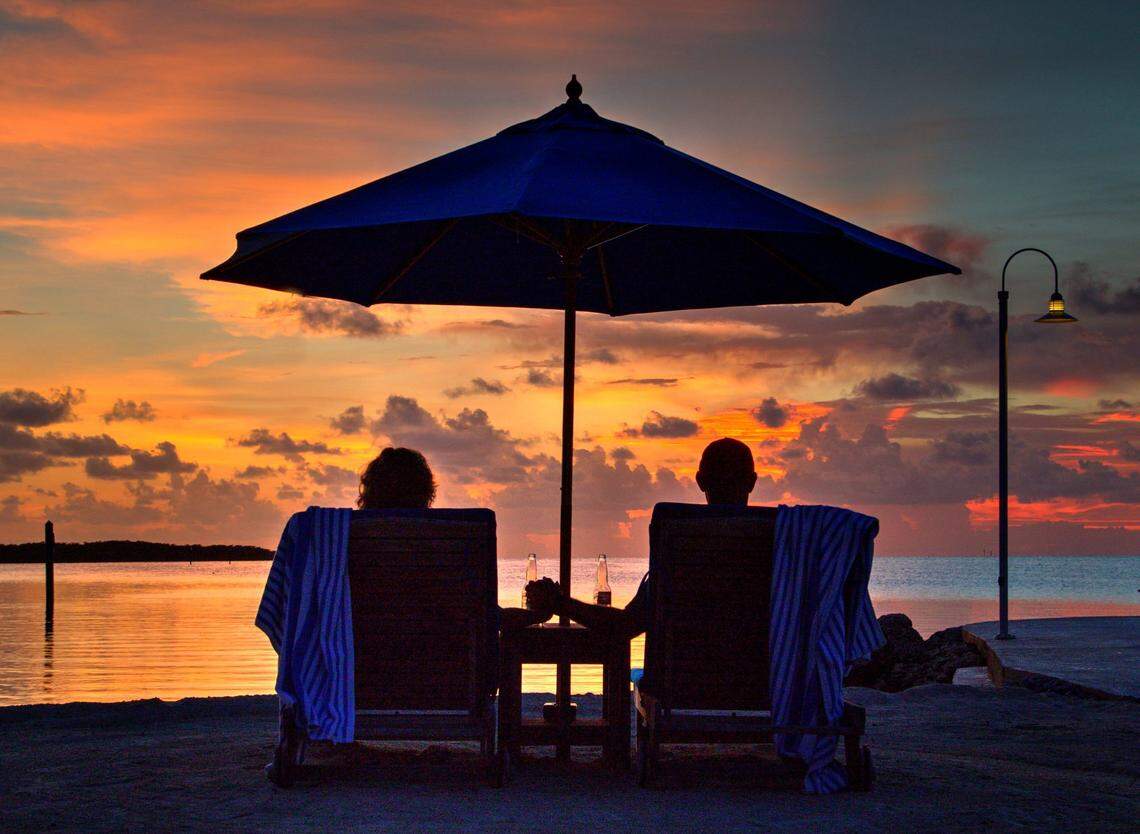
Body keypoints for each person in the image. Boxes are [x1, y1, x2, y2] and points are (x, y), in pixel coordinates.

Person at [524, 437, 759, 637]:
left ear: (700, 481)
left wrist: (559, 604)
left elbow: (624, 625)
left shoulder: (680, 546)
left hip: (681, 678)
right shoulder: (775, 547)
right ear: (752, 482)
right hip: (762, 677)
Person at [357, 447, 551, 630]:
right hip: (438, 654)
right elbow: (490, 617)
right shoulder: (448, 549)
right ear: (427, 494)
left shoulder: (350, 546)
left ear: (368, 494)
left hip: (363, 655)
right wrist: (540, 613)